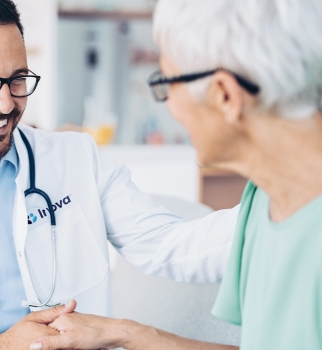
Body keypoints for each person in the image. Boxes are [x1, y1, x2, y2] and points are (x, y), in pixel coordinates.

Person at [29, 0, 322, 349]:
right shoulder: (264, 205)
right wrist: (128, 333)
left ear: (225, 95)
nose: (168, 104)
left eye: (166, 83)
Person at [0, 1, 242, 350]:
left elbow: (171, 246)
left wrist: (283, 203)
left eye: (18, 80)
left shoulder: (75, 158)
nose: (6, 103)